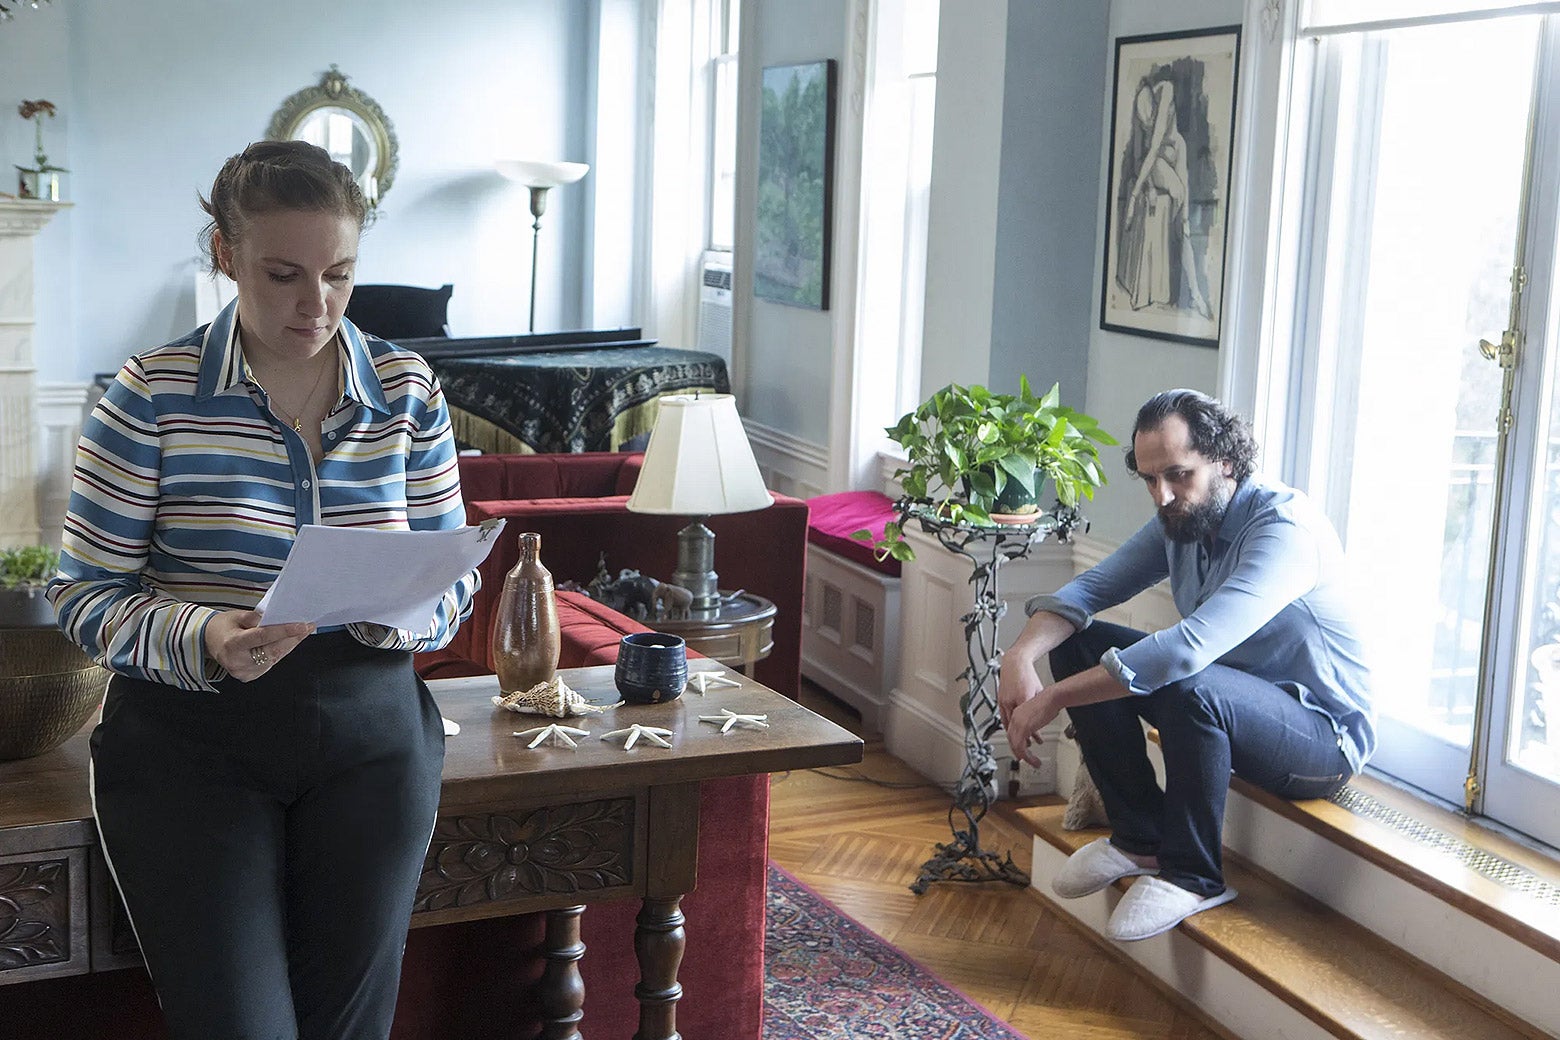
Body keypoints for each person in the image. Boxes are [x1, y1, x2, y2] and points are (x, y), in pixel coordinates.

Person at [48, 140, 478, 1040]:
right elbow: (83, 596)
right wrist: (207, 635)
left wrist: (409, 611)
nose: (314, 305)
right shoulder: (152, 393)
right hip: (188, 746)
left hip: (372, 739)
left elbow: (453, 579)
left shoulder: (407, 389)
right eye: (283, 274)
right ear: (224, 254)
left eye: (339, 274)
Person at [998, 389, 1373, 942]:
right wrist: (1019, 654)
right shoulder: (1184, 518)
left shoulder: (1284, 530)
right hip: (1231, 702)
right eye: (1150, 479)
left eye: (1178, 474)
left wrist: (1051, 699)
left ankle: (1195, 875)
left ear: (1225, 459)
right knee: (1078, 643)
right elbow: (1091, 589)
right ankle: (1140, 838)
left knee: (1189, 681)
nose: (1163, 494)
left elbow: (1185, 651)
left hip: (1319, 738)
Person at [1115, 77, 1212, 319]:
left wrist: (1134, 195)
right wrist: (1144, 186)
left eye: (1149, 118)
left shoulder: (1165, 90)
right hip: (1158, 165)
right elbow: (1143, 160)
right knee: (1173, 190)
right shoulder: (1142, 115)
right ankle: (1190, 293)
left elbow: (1156, 144)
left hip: (1175, 154)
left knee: (1185, 225)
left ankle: (1195, 293)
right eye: (1143, 122)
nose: (1146, 125)